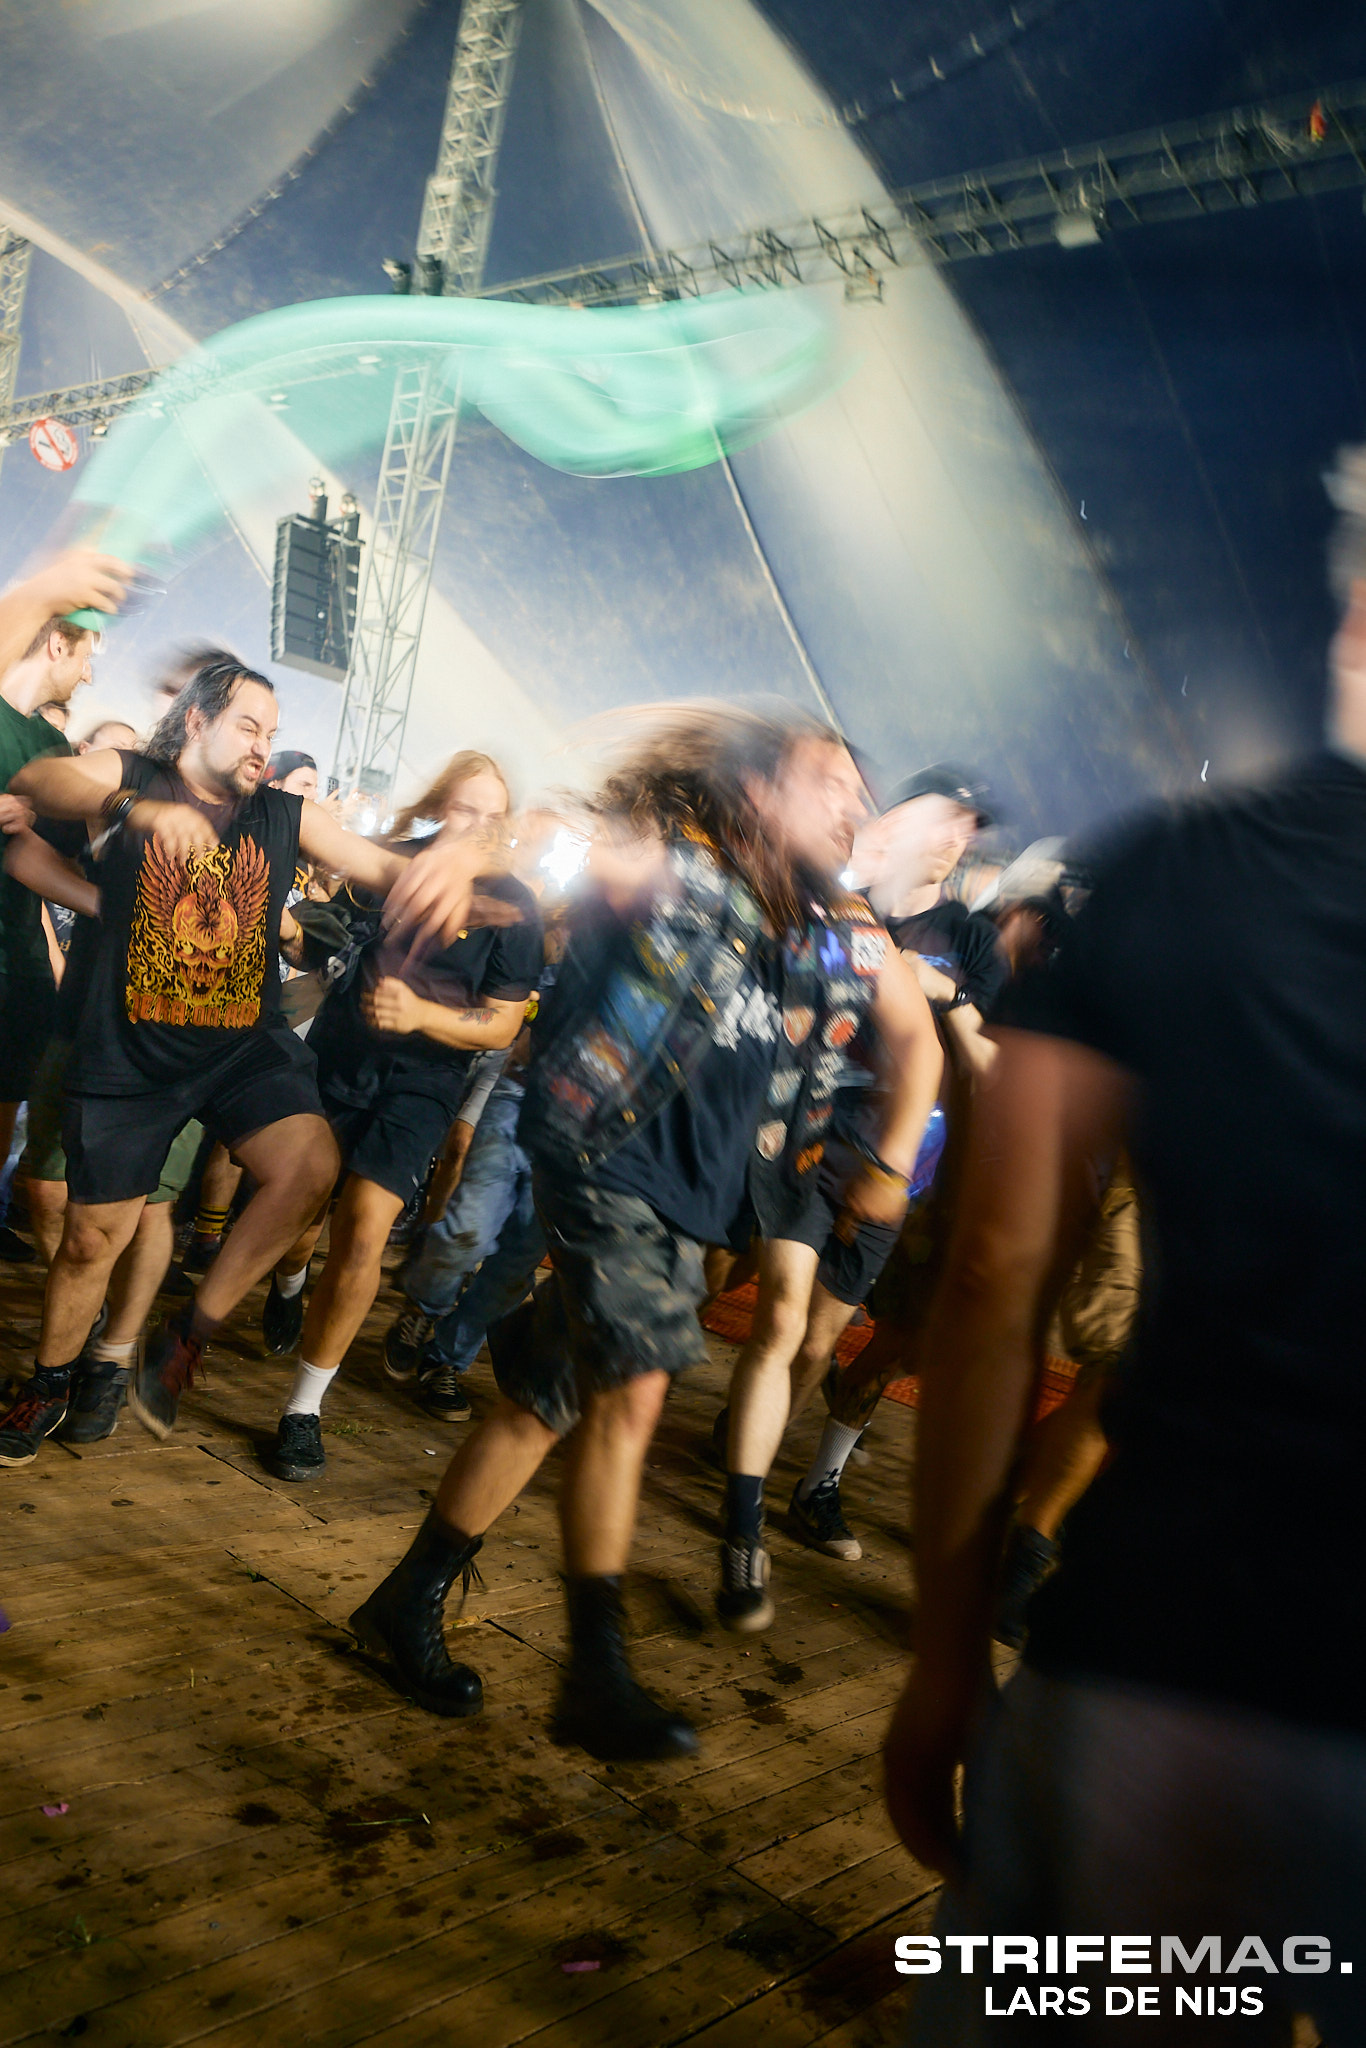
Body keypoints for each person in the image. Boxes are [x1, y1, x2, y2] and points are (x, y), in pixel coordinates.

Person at [884, 458, 1366, 2046]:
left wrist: (943, 1656)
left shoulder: (1173, 872)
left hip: (1170, 1657)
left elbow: (992, 1274)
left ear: (1352, 613)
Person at [346, 705, 937, 1763]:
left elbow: (916, 1037)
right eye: (829, 784)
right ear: (762, 789)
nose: (851, 807)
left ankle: (406, 1598)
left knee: (543, 1405)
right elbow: (547, 842)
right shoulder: (679, 861)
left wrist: (890, 1165)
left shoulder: (834, 922)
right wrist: (472, 847)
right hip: (602, 1157)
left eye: (860, 795)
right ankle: (595, 1672)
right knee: (640, 1383)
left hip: (689, 1200)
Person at [0, 655, 488, 1467]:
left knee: (310, 1164)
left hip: (237, 1041)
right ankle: (50, 1382)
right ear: (197, 719)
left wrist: (453, 867)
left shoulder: (283, 813)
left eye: (273, 732)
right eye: (249, 726)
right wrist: (133, 816)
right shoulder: (136, 774)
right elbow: (42, 781)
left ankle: (187, 1333)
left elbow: (378, 866)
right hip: (128, 1051)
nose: (264, 745)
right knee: (91, 1241)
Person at [257, 751, 541, 1482]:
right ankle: (289, 1284)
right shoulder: (387, 867)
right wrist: (288, 928)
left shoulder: (513, 906)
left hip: (423, 1082)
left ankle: (303, 1410)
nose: (479, 825)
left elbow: (503, 1024)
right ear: (441, 806)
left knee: (364, 1228)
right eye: (466, 808)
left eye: (493, 814)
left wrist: (423, 1014)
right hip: (339, 1059)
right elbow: (319, 940)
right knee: (301, 1223)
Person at [787, 764, 1004, 1545]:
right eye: (945, 820)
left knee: (821, 1336)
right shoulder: (847, 907)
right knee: (763, 1301)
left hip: (897, 1165)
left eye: (968, 830)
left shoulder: (974, 941)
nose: (955, 841)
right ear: (904, 820)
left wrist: (951, 997)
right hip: (802, 1134)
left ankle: (783, 1467)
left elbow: (989, 1065)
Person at [0, 555, 120, 1265]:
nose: (90, 675)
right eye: (86, 655)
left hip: (15, 970)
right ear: (55, 643)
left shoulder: (50, 749)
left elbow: (40, 860)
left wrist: (111, 905)